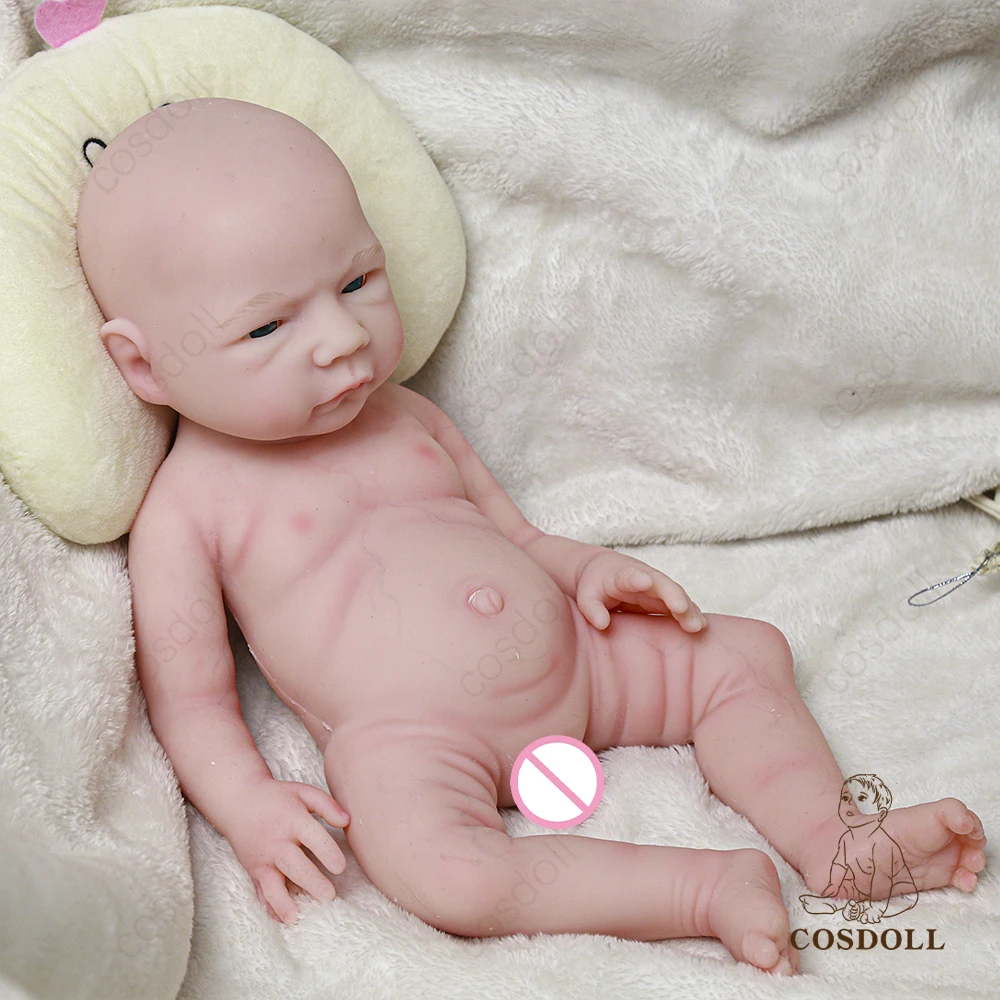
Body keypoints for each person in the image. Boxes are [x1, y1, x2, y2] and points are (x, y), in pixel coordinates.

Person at [75, 97, 986, 976]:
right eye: (268, 326)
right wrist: (249, 807)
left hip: (575, 661)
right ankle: (700, 890)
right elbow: (192, 705)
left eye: (356, 282)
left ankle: (835, 841)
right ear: (143, 364)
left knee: (740, 657)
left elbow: (514, 533)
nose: (343, 338)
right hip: (417, 739)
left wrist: (586, 571)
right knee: (447, 875)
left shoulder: (404, 417)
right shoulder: (188, 511)